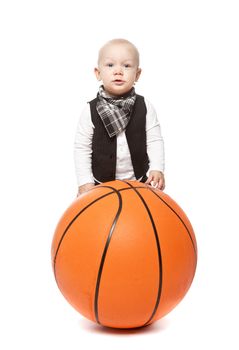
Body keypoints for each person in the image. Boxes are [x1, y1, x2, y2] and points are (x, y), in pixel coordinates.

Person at [74, 38, 165, 196]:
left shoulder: (145, 106)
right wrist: (85, 182)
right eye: (110, 65)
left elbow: (154, 140)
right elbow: (82, 148)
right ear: (98, 73)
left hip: (139, 181)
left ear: (137, 74)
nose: (118, 71)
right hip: (101, 184)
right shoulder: (90, 110)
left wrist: (157, 168)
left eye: (127, 65)